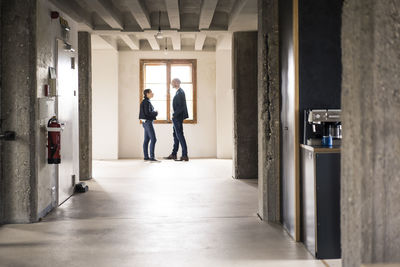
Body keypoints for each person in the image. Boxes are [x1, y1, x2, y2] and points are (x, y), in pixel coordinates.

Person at [165, 78, 189, 161]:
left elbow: (181, 107)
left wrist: (174, 115)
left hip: (177, 118)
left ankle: (185, 155)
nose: (171, 84)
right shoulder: (178, 92)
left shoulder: (180, 92)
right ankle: (174, 154)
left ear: (177, 83)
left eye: (173, 82)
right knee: (175, 136)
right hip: (176, 117)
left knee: (180, 136)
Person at [139, 89, 159, 162]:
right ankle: (152, 157)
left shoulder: (146, 102)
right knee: (153, 139)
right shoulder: (146, 102)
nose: (152, 93)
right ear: (147, 94)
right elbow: (147, 113)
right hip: (147, 122)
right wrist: (156, 113)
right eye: (151, 92)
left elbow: (147, 112)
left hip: (145, 122)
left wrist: (153, 112)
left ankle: (146, 157)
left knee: (147, 140)